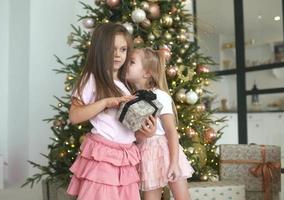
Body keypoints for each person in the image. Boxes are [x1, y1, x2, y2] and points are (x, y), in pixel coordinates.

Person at [66, 23, 156, 200]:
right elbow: (74, 116)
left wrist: (146, 133)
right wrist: (105, 102)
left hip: (126, 156)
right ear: (100, 49)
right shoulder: (92, 78)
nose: (118, 55)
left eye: (123, 49)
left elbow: (126, 129)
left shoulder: (125, 85)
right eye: (112, 49)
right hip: (103, 155)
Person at [126, 48, 194, 200]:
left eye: (131, 62)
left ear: (147, 73)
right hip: (145, 152)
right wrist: (143, 134)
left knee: (182, 197)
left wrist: (174, 163)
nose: (125, 64)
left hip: (166, 151)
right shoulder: (129, 99)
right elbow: (133, 133)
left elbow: (171, 131)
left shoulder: (160, 96)